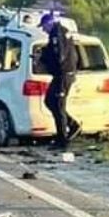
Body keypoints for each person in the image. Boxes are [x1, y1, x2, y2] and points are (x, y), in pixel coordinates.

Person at [39, 13, 80, 147]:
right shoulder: (63, 31)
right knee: (49, 100)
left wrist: (45, 57)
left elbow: (59, 56)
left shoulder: (57, 34)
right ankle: (72, 124)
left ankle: (62, 139)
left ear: (49, 24)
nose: (43, 30)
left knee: (59, 105)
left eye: (44, 27)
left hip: (63, 74)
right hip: (63, 74)